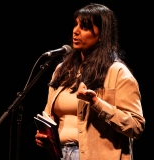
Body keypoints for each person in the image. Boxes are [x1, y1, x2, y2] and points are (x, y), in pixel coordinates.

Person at [35, 3, 145, 160]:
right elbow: (49, 116)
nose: (76, 31)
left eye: (85, 27)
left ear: (101, 35)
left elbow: (136, 126)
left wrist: (96, 102)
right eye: (76, 24)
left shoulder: (117, 72)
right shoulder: (62, 70)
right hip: (61, 155)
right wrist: (45, 136)